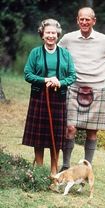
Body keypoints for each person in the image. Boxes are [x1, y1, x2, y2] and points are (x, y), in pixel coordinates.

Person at [58, 7, 105, 170]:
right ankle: (65, 165)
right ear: (77, 20)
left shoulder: (104, 40)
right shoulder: (68, 39)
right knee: (70, 128)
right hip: (73, 87)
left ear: (94, 21)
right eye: (81, 19)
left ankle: (86, 167)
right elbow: (58, 55)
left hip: (97, 90)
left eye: (87, 19)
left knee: (92, 131)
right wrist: (63, 72)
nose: (84, 22)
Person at [22, 18, 76, 176]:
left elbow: (72, 76)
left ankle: (53, 171)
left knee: (56, 137)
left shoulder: (65, 55)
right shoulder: (35, 53)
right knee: (39, 137)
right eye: (48, 33)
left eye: (54, 33)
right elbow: (27, 74)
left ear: (58, 34)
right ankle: (39, 170)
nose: (51, 36)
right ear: (42, 34)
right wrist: (45, 80)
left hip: (58, 99)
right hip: (39, 98)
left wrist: (60, 82)